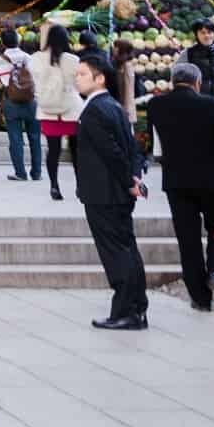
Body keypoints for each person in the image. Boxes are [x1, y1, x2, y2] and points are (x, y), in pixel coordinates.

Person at [147, 62, 214, 310]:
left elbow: (154, 145)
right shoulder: (210, 104)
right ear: (197, 82)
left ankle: (200, 298)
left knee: (188, 240)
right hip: (210, 178)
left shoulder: (156, 105)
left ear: (172, 81)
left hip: (176, 181)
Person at [74, 54, 149, 330]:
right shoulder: (113, 107)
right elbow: (132, 148)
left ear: (100, 78)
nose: (77, 79)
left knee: (116, 253)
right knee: (127, 249)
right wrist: (134, 179)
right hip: (115, 192)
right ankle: (137, 308)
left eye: (82, 74)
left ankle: (127, 312)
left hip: (104, 193)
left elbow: (114, 152)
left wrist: (130, 182)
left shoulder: (96, 110)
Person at [29, 22, 82, 202]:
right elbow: (78, 85)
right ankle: (80, 186)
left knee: (53, 150)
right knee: (76, 150)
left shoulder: (36, 58)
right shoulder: (73, 60)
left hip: (47, 110)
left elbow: (35, 83)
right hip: (71, 109)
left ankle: (54, 186)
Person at [0, 28, 42, 182]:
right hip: (31, 101)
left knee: (15, 139)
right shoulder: (28, 57)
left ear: (2, 43)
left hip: (11, 102)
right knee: (35, 138)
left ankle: (20, 173)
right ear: (18, 40)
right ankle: (36, 173)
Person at [111, 38, 142, 128]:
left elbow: (126, 90)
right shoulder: (122, 65)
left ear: (121, 50)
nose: (113, 49)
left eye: (115, 47)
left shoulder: (126, 67)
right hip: (122, 108)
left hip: (124, 109)